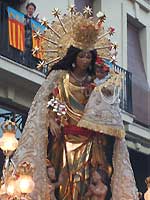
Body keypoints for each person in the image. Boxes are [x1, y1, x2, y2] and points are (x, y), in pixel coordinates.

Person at [11, 6, 139, 200]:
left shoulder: (94, 83)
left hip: (90, 141)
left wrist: (101, 92)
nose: (85, 60)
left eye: (88, 56)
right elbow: (46, 105)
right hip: (63, 139)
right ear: (73, 56)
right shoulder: (59, 78)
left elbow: (105, 111)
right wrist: (51, 122)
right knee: (63, 184)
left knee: (87, 183)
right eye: (81, 55)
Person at [23, 2, 39, 68]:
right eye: (30, 8)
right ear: (27, 9)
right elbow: (23, 25)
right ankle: (24, 63)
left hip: (33, 41)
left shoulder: (35, 20)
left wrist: (37, 23)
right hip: (26, 38)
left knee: (32, 52)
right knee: (25, 51)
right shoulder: (24, 17)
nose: (31, 10)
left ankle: (31, 65)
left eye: (32, 9)